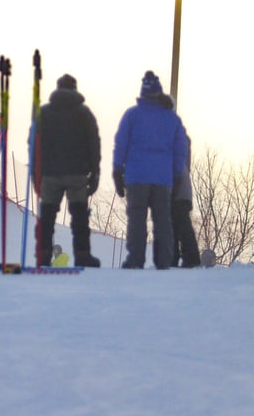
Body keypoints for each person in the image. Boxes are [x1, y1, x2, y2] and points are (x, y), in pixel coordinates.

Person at [113, 70, 187, 269]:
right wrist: (177, 173)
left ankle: (135, 258)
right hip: (163, 179)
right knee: (162, 219)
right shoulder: (171, 118)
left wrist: (117, 170)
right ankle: (163, 260)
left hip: (136, 177)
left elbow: (121, 144)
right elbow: (181, 148)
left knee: (137, 218)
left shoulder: (132, 115)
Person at [36, 73, 101, 268]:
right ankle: (82, 255)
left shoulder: (44, 113)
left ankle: (43, 255)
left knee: (47, 216)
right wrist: (94, 171)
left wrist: (36, 175)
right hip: (77, 172)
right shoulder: (84, 113)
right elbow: (93, 142)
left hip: (49, 173)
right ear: (74, 89)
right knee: (79, 216)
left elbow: (35, 144)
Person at [161, 96, 200, 268]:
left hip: (174, 185)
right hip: (178, 185)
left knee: (179, 221)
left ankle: (188, 257)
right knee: (175, 222)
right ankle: (177, 257)